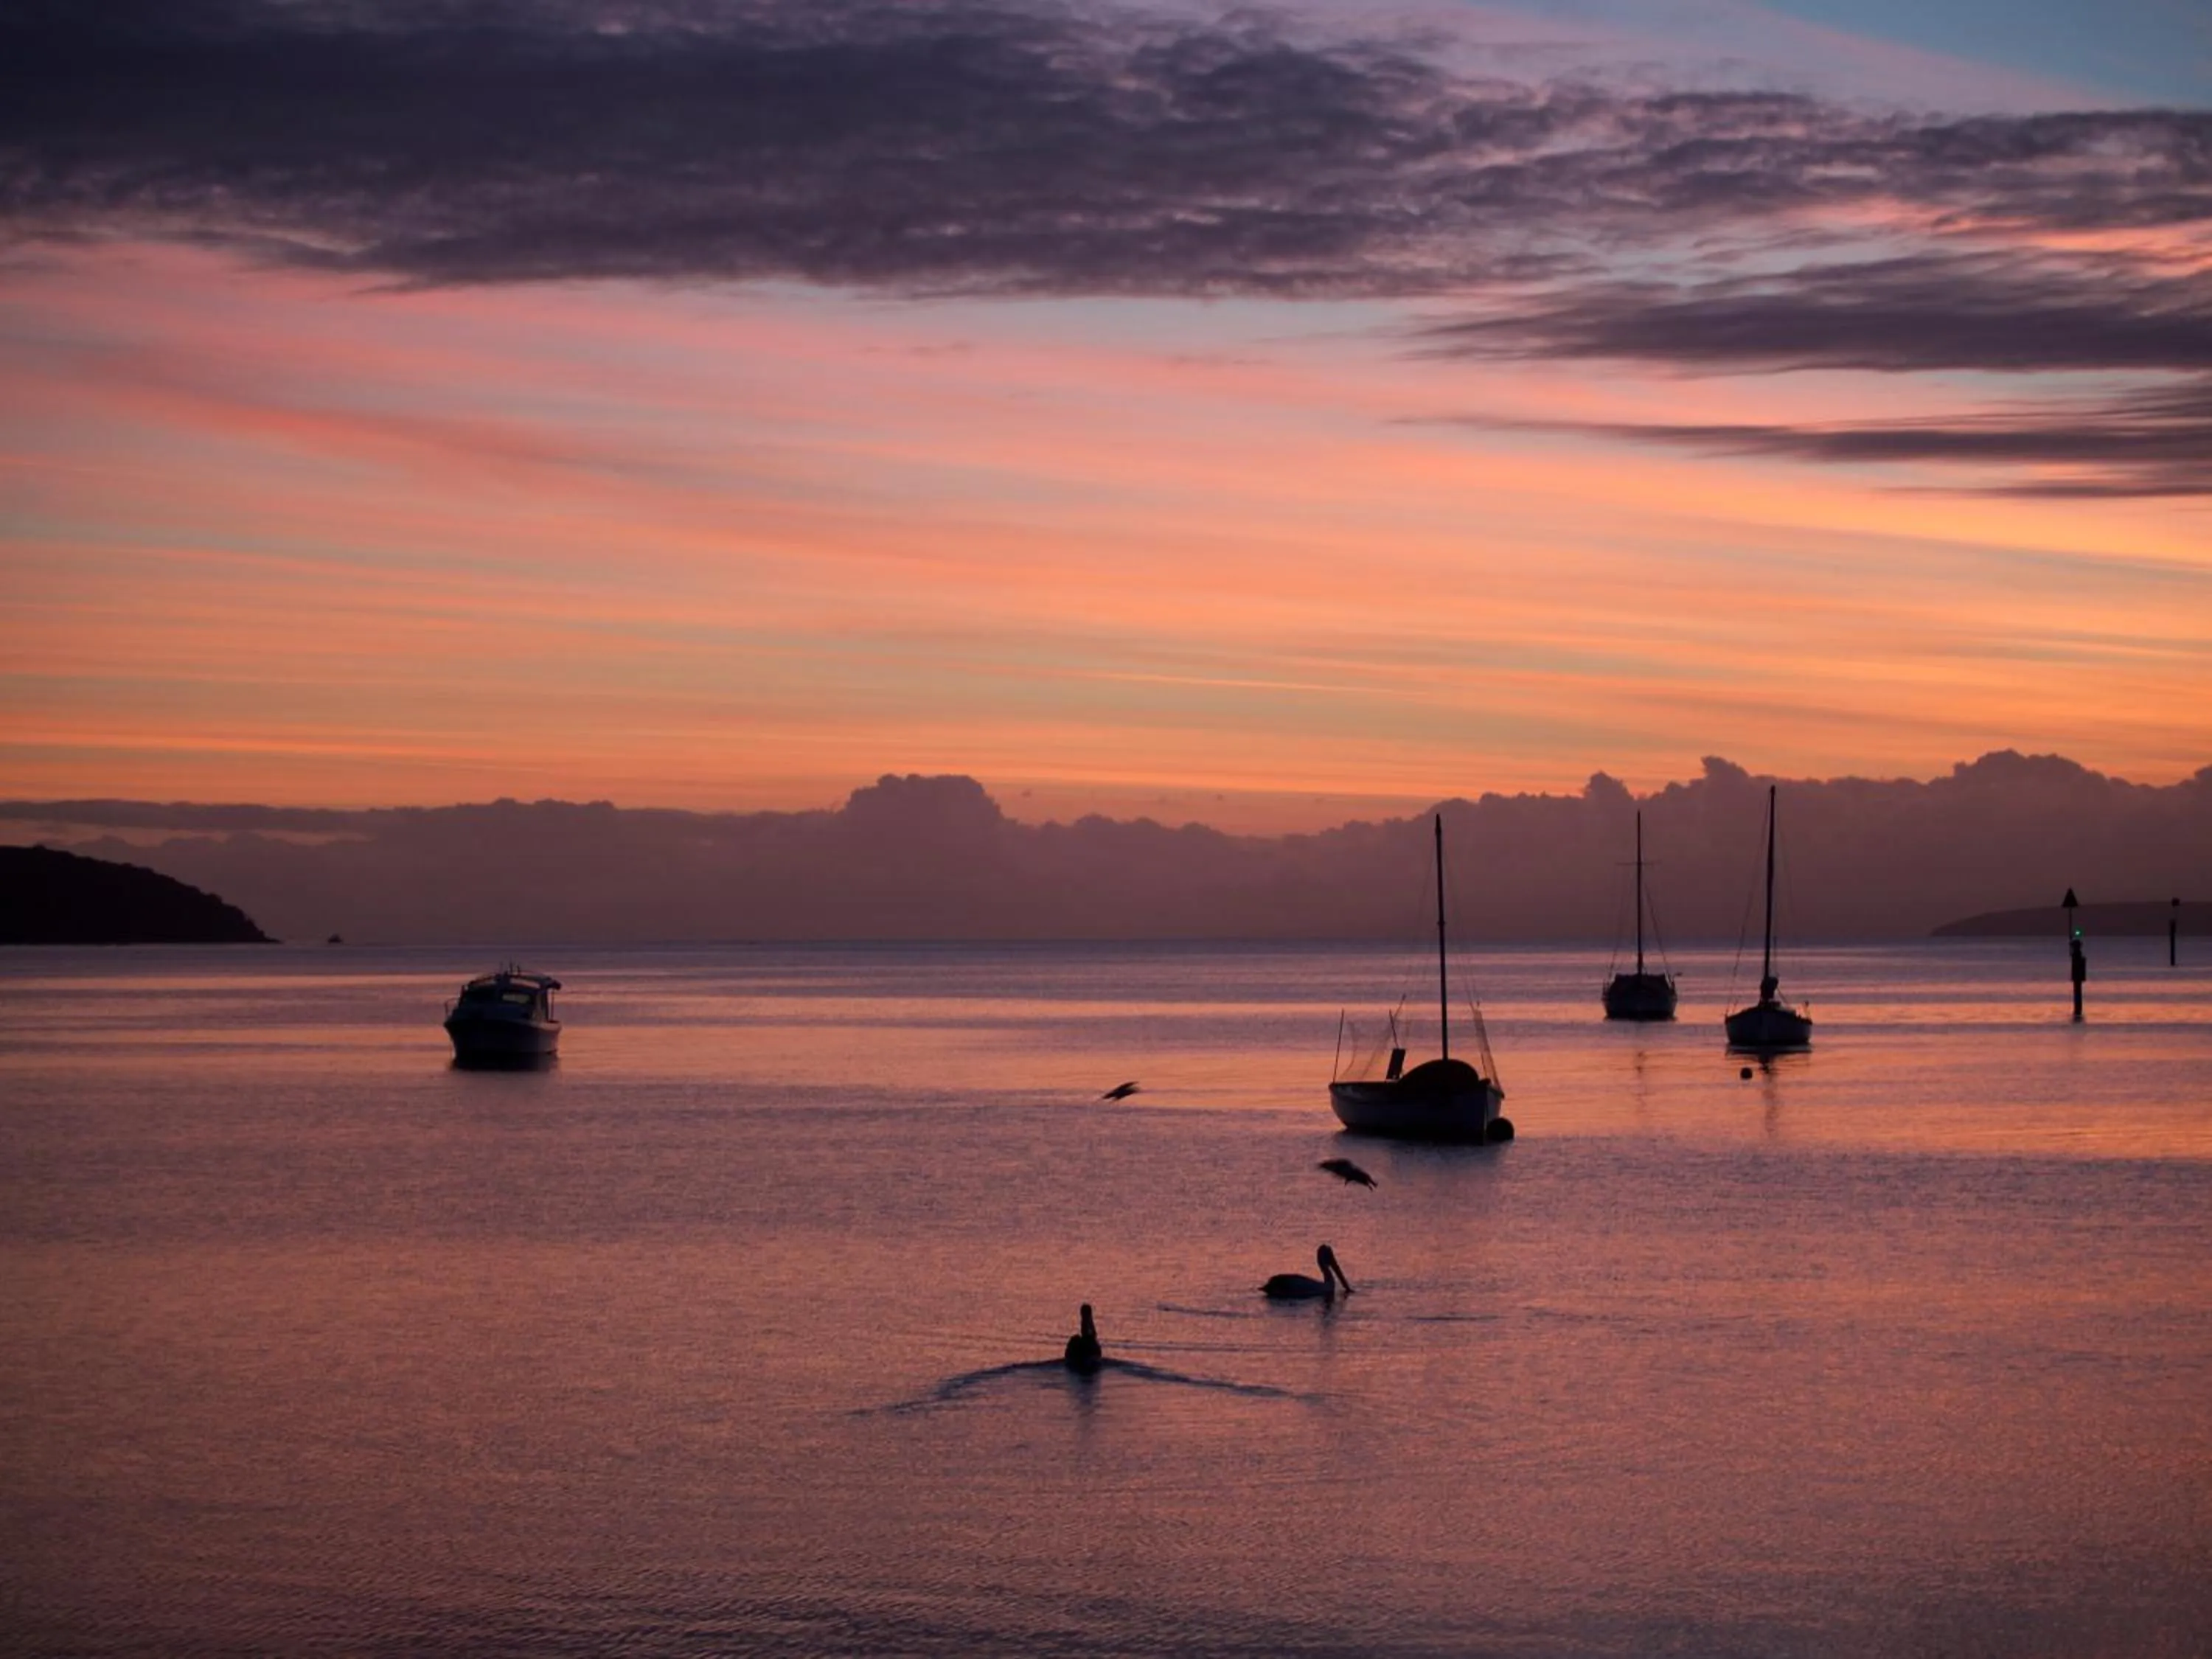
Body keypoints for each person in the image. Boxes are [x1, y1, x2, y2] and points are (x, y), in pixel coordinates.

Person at [1062, 1304, 1102, 1374]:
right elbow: (1092, 1333)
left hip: (1077, 1360)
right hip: (1086, 1358)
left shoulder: (1075, 1342)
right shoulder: (1092, 1343)